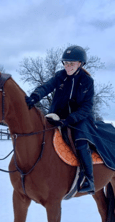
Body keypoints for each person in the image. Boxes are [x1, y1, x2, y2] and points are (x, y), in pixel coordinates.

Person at [25, 45, 95, 194]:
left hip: (79, 119)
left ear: (80, 64)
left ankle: (89, 179)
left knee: (81, 141)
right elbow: (46, 87)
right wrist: (34, 96)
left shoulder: (87, 81)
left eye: (71, 63)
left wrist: (71, 119)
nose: (67, 66)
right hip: (57, 115)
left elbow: (87, 106)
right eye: (65, 63)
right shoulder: (60, 76)